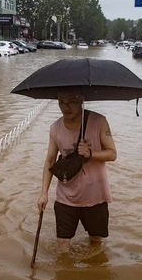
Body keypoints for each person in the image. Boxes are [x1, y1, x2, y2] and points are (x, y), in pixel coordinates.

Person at [37, 87, 117, 254]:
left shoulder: (99, 122)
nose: (66, 107)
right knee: (62, 242)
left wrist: (90, 153)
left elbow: (112, 154)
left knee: (95, 241)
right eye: (61, 102)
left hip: (95, 195)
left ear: (81, 99)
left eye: (72, 102)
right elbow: (50, 160)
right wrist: (43, 193)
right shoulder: (55, 128)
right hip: (66, 195)